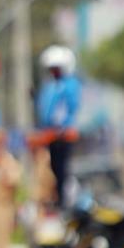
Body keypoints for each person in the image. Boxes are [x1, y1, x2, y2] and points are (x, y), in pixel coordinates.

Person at [36, 45, 81, 208]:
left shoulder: (69, 85)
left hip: (61, 136)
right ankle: (52, 197)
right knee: (49, 169)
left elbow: (68, 110)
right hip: (49, 135)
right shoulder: (49, 86)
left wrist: (61, 129)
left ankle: (64, 200)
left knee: (63, 169)